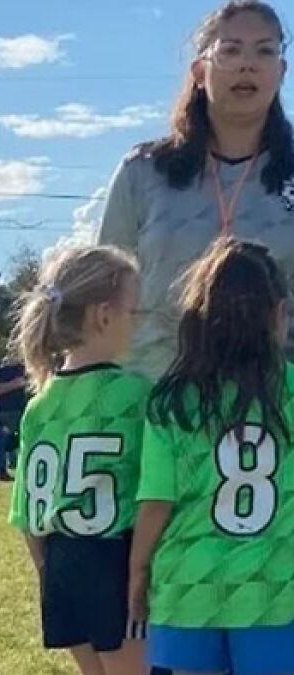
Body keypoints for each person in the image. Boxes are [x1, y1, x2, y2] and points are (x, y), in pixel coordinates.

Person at [96, 0, 294, 380]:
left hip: (270, 407)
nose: (247, 63)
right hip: (153, 398)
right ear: (200, 72)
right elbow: (103, 297)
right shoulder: (142, 172)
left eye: (264, 51)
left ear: (281, 72)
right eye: (231, 50)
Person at [130, 238, 294, 674]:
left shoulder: (172, 399)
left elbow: (156, 502)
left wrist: (137, 571)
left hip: (188, 585)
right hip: (274, 589)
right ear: (279, 313)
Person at [7, 245, 151, 675]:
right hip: (115, 565)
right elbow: (157, 493)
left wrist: (50, 575)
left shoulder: (40, 404)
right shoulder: (135, 395)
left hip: (61, 567)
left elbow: (28, 518)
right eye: (134, 312)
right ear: (103, 315)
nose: (138, 323)